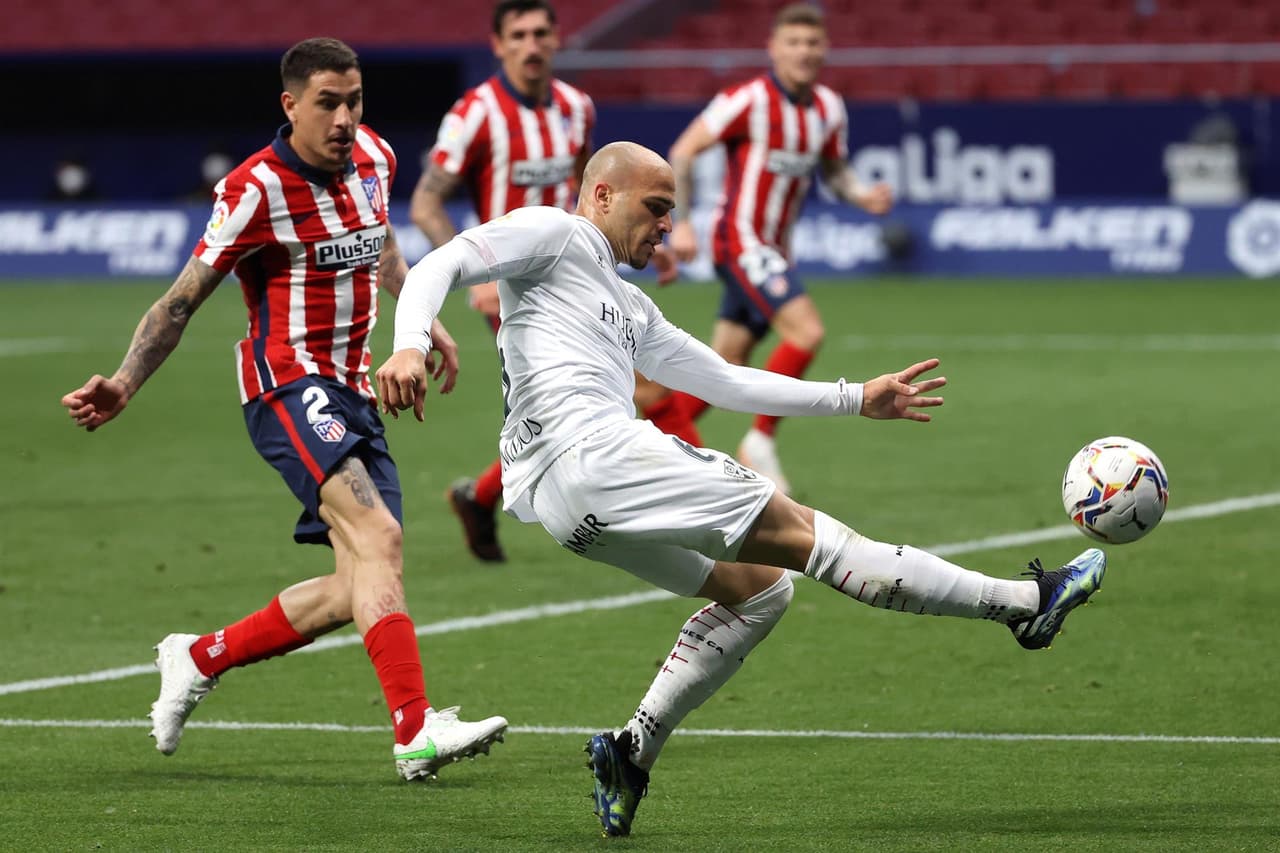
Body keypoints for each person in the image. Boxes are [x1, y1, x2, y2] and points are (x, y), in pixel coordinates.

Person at [376, 141, 1108, 836]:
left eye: (671, 211)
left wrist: (855, 397)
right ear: (601, 195)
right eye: (655, 207)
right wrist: (410, 343)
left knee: (760, 590)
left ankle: (631, 752)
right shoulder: (555, 234)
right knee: (811, 538)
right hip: (596, 455)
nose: (668, 225)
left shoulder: (629, 306)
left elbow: (724, 381)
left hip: (566, 504)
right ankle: (1025, 605)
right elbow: (446, 260)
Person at [60, 37, 507, 782]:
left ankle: (199, 656)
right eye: (328, 103)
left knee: (357, 584)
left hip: (353, 389)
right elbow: (180, 301)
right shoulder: (255, 189)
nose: (344, 119)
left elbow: (383, 251)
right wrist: (125, 383)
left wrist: (422, 324)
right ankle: (415, 730)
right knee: (381, 534)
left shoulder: (375, 158)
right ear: (291, 105)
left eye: (354, 101)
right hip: (287, 386)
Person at [410, 0, 693, 564]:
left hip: (579, 274)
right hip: (515, 286)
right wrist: (473, 278)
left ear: (556, 39)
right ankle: (710, 508)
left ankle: (481, 497)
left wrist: (645, 240)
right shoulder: (477, 113)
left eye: (541, 33)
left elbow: (598, 188)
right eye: (518, 35)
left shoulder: (575, 108)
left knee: (576, 410)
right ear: (498, 45)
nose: (531, 45)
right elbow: (425, 202)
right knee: (641, 391)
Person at [666, 2, 894, 495]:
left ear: (825, 49)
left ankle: (650, 443)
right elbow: (683, 151)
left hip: (775, 249)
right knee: (807, 332)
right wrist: (681, 224)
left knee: (722, 369)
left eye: (812, 43)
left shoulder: (829, 107)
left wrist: (861, 195)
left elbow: (834, 169)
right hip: (739, 239)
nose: (803, 52)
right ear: (773, 48)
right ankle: (760, 440)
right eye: (793, 42)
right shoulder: (747, 100)